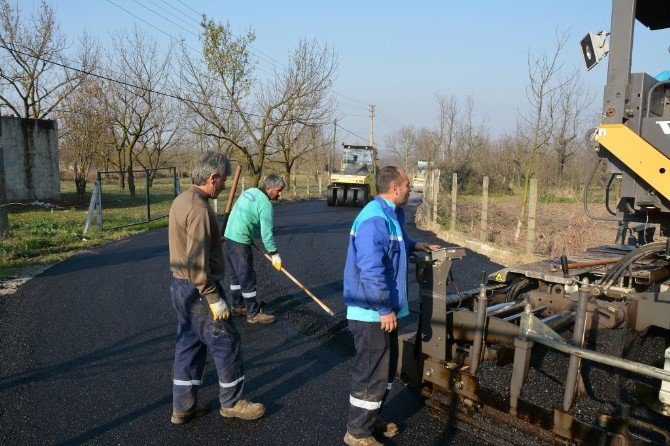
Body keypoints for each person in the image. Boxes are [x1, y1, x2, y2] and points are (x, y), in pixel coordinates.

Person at [342, 166, 439, 446]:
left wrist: (416, 244)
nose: (411, 189)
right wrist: (384, 308)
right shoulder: (374, 220)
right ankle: (357, 432)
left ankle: (370, 420)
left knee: (383, 372)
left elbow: (395, 245)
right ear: (395, 189)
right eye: (408, 185)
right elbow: (371, 270)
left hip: (381, 311)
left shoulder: (390, 213)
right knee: (372, 371)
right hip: (372, 312)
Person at [168, 151, 265, 425]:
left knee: (189, 345)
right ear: (212, 178)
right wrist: (213, 298)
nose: (223, 186)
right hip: (199, 290)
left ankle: (182, 407)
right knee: (227, 341)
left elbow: (191, 245)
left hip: (179, 287)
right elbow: (196, 263)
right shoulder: (199, 210)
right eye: (222, 180)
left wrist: (213, 243)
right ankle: (233, 403)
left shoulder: (182, 200)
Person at [224, 174, 286, 324]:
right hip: (240, 241)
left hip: (228, 237)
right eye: (278, 190)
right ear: (269, 188)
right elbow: (267, 234)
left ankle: (238, 306)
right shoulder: (265, 204)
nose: (280, 194)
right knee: (247, 277)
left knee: (236, 276)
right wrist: (274, 254)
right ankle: (253, 313)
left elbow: (240, 212)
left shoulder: (249, 191)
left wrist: (246, 230)